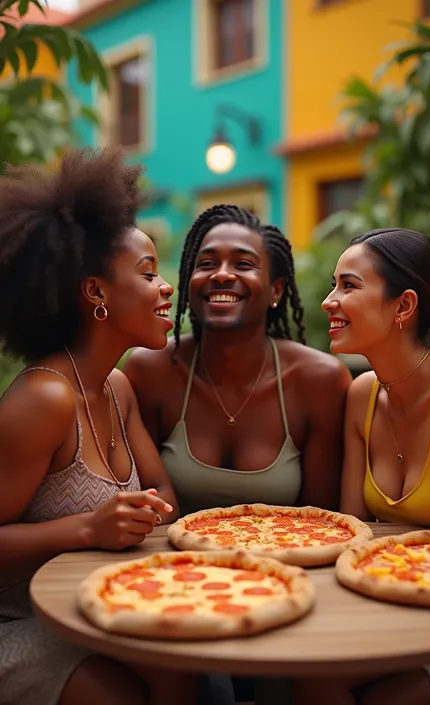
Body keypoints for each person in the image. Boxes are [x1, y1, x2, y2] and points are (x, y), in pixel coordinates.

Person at [0, 147, 205, 705]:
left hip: (104, 606)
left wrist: (144, 514)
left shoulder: (117, 388)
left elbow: (163, 493)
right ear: (95, 293)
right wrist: (89, 529)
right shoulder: (45, 399)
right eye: (147, 273)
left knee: (189, 667)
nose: (167, 288)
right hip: (22, 623)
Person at [317, 227, 430, 705]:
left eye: (348, 285)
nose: (328, 301)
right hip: (388, 604)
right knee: (304, 679)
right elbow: (349, 536)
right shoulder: (361, 394)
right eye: (333, 285)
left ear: (403, 306)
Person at [125, 204, 351, 518]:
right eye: (206, 263)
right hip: (173, 561)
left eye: (244, 264)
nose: (221, 274)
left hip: (287, 561)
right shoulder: (152, 370)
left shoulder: (319, 380)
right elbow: (142, 502)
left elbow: (322, 520)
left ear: (276, 290)